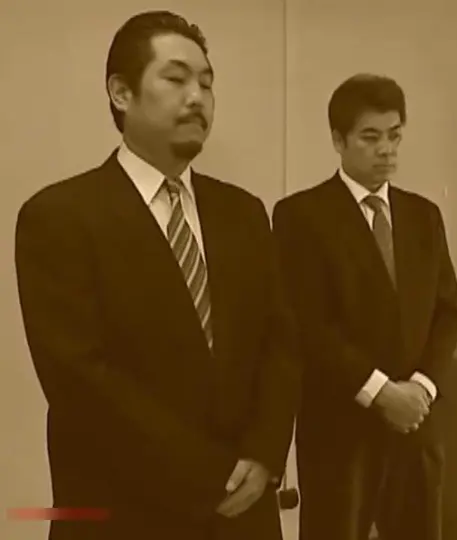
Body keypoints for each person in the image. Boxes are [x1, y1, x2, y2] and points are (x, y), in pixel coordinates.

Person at [14, 11, 299, 540]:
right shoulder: (59, 216)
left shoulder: (243, 212)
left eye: (207, 83)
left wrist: (264, 455)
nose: (197, 97)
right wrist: (209, 475)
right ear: (121, 93)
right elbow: (80, 380)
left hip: (246, 511)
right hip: (126, 513)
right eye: (176, 78)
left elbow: (279, 344)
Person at [272, 74, 457, 540]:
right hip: (341, 427)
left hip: (416, 423)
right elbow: (308, 324)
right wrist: (381, 392)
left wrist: (421, 388)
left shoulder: (423, 216)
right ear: (339, 141)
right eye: (370, 137)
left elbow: (446, 313)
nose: (386, 150)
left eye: (394, 136)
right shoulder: (300, 215)